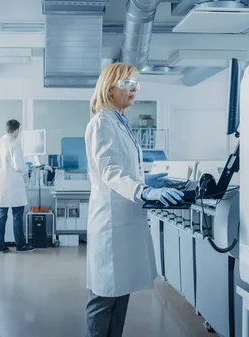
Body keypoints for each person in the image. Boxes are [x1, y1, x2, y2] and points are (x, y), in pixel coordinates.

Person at [84, 63, 184, 337]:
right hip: (111, 223)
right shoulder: (102, 122)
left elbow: (123, 169)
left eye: (135, 83)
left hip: (123, 221)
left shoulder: (118, 121)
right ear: (109, 87)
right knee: (104, 297)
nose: (134, 88)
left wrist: (147, 181)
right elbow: (110, 172)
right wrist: (145, 192)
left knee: (120, 293)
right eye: (127, 83)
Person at [0, 119, 36, 254]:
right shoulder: (15, 144)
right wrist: (27, 167)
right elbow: (19, 166)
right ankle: (20, 245)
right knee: (17, 215)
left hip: (0, 185)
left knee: (1, 215)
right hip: (14, 186)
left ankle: (0, 246)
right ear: (16, 130)